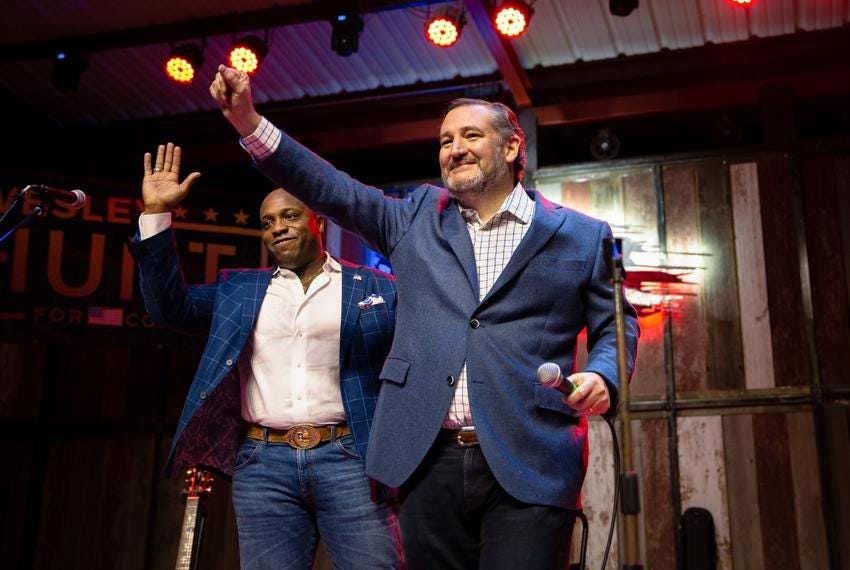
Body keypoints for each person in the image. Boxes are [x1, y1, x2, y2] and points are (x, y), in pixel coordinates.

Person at [210, 65, 639, 569]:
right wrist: (250, 123)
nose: (454, 148)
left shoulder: (581, 235)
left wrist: (604, 375)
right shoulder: (414, 217)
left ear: (511, 147)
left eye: (470, 136)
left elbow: (617, 324)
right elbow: (331, 189)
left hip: (533, 458)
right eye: (445, 140)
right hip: (427, 459)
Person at [131, 143, 403, 569]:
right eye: (267, 223)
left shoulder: (376, 287)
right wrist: (156, 215)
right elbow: (170, 309)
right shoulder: (239, 290)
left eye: (289, 216)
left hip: (351, 458)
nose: (278, 228)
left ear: (318, 220)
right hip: (263, 464)